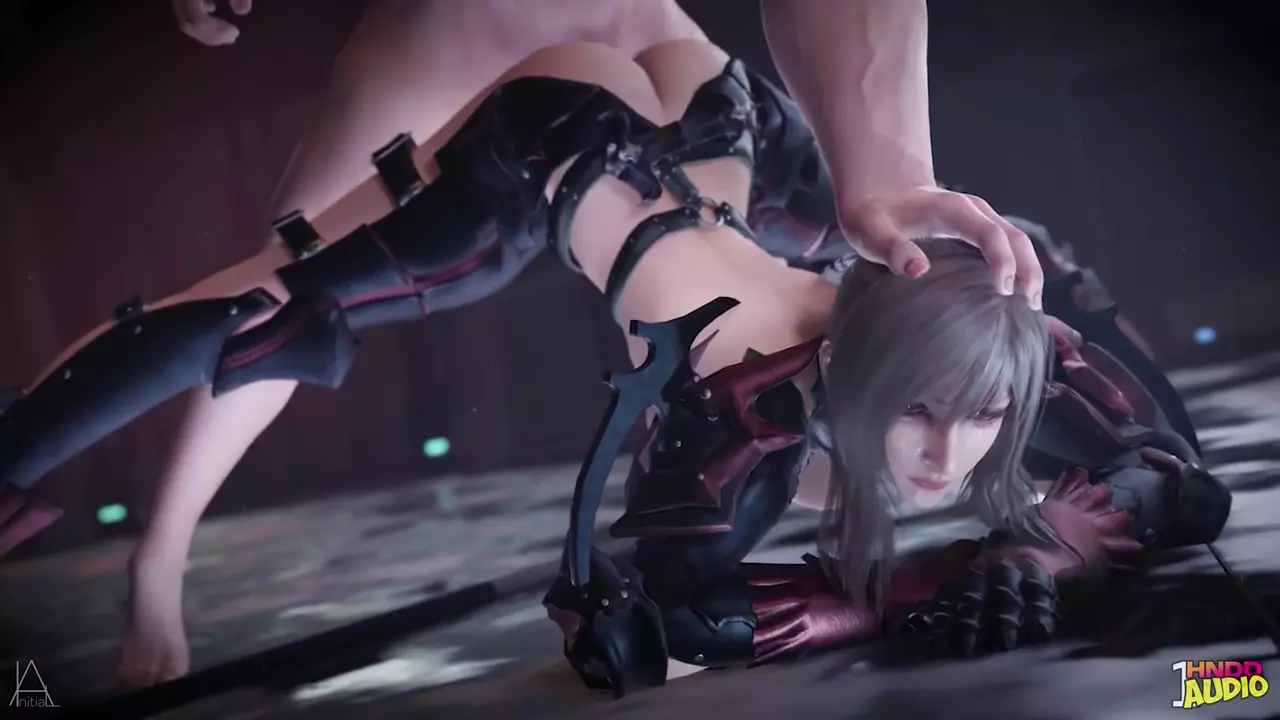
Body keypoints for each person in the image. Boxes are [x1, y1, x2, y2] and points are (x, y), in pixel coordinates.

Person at [1, 0, 1046, 689]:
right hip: (541, 65)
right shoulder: (768, 392)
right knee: (276, 302)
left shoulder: (812, 369)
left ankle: (135, 538)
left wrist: (892, 167)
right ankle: (159, 553)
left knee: (275, 301)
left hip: (674, 90)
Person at [542, 237, 1231, 695]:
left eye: (985, 415)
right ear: (837, 366)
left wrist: (1041, 551)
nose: (946, 457)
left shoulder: (1003, 352)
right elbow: (642, 620)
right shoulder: (751, 413)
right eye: (915, 411)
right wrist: (901, 591)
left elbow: (1181, 480)